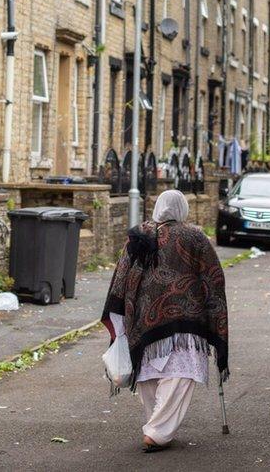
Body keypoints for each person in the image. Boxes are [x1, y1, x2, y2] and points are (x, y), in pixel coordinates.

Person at [101, 190, 229, 453]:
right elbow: (213, 277)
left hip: (144, 320)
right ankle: (157, 432)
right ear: (182, 209)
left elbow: (121, 276)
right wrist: (214, 312)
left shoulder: (139, 234)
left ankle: (156, 426)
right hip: (185, 320)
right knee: (181, 373)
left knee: (149, 372)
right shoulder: (194, 236)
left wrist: (121, 315)